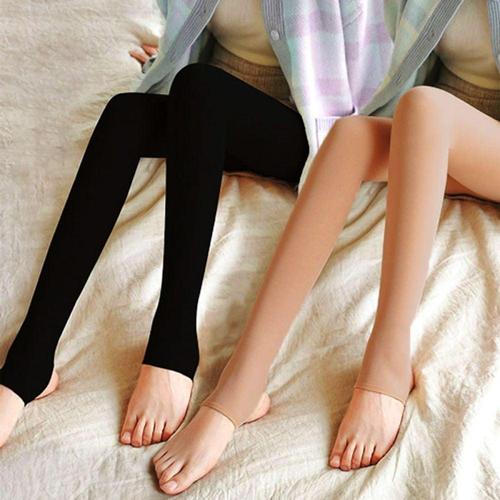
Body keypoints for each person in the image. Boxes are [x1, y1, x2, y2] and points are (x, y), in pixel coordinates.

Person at [0, 0, 392, 487]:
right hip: (209, 111)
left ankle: (173, 346)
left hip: (310, 132)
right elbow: (191, 33)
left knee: (201, 86)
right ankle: (28, 364)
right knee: (126, 112)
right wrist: (169, 56)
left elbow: (378, 73)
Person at [150, 0, 500, 491]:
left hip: (464, 134)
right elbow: (399, 61)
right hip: (444, 135)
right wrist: (167, 56)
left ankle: (388, 360)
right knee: (350, 137)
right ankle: (240, 387)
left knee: (425, 106)